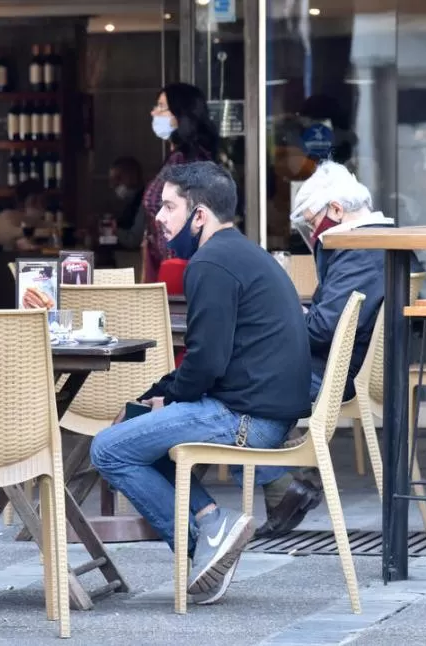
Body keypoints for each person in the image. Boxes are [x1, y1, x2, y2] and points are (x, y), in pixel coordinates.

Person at [90, 162, 312, 605]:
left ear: (200, 215)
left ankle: (204, 544)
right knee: (139, 431)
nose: (158, 216)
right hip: (263, 413)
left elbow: (206, 362)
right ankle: (211, 522)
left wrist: (168, 398)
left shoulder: (209, 263)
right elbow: (208, 361)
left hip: (245, 419)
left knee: (108, 448)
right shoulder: (247, 254)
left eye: (169, 206)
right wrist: (162, 394)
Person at [252, 161, 401, 538]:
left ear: (336, 210)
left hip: (334, 374)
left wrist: (285, 315)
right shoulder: (381, 240)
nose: (313, 233)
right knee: (241, 394)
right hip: (343, 367)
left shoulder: (359, 248)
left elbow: (322, 328)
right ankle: (281, 485)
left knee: (236, 392)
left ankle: (279, 483)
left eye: (312, 221)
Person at [141, 83, 219, 282]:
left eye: (161, 107)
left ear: (180, 115)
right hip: (170, 266)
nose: (153, 112)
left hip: (181, 269)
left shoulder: (186, 161)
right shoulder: (178, 158)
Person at [0, 179, 45, 252]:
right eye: (34, 202)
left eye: (42, 201)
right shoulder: (7, 216)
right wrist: (40, 232)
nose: (39, 206)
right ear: (21, 203)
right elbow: (4, 235)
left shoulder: (39, 221)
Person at [109, 156, 146, 251]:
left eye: (118, 178)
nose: (113, 185)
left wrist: (114, 230)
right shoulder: (131, 202)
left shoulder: (144, 202)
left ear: (132, 176)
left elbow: (134, 240)